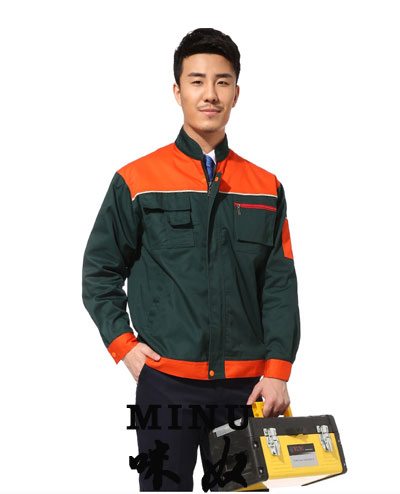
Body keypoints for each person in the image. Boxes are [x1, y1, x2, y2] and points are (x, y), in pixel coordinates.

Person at [82, 27, 300, 492]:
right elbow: (99, 271)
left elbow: (279, 285)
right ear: (177, 91)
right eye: (197, 81)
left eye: (222, 82)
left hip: (245, 388)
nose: (210, 94)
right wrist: (124, 346)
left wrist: (278, 371)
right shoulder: (137, 180)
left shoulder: (265, 187)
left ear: (236, 93)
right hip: (166, 384)